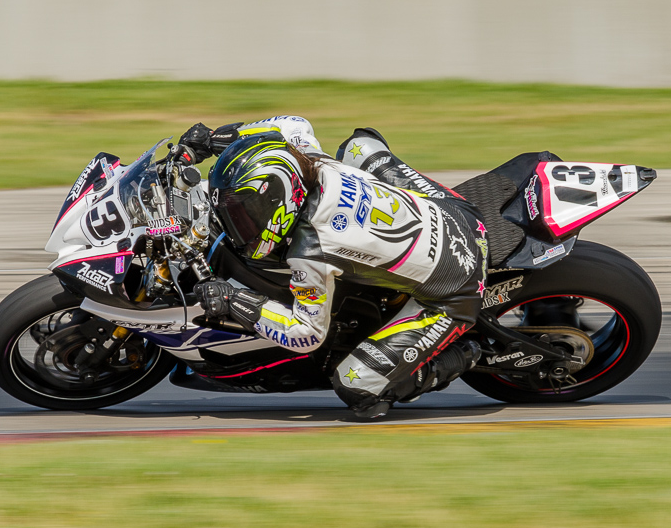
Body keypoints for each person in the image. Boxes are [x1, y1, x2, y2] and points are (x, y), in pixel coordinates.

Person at [178, 117, 487, 418]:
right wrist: (217, 139)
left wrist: (235, 301)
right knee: (359, 145)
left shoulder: (312, 249)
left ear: (277, 202)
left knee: (357, 385)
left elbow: (307, 334)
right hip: (455, 212)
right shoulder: (307, 157)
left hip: (457, 288)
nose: (236, 223)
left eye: (243, 214)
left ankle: (463, 355)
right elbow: (293, 124)